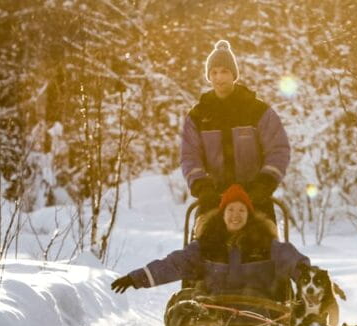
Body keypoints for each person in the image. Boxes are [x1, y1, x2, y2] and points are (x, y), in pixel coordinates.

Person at [111, 184, 309, 300]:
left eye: (242, 210)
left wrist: (308, 278)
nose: (236, 216)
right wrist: (135, 278)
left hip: (259, 315)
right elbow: (174, 264)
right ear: (222, 214)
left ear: (249, 215)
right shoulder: (206, 245)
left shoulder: (266, 244)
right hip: (213, 313)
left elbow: (292, 260)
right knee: (181, 310)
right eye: (231, 210)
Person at [181, 39, 291, 220]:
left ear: (234, 74)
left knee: (263, 244)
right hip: (213, 197)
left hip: (255, 196)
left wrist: (264, 183)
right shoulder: (198, 115)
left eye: (224, 71)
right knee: (206, 244)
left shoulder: (257, 110)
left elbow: (278, 149)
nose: (219, 77)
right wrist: (202, 186)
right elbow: (189, 155)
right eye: (214, 72)